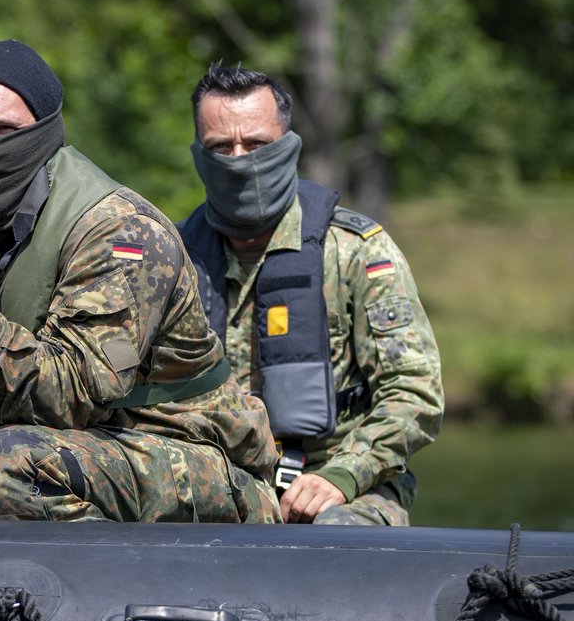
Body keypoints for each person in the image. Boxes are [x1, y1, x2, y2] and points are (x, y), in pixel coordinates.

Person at [0, 40, 281, 523]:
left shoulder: (119, 231)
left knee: (2, 465)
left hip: (207, 472)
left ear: (45, 131)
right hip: (94, 467)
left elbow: (68, 400)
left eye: (4, 129)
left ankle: (104, 595)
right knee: (8, 461)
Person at [178, 63, 444, 525]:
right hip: (217, 481)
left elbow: (414, 393)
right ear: (200, 155)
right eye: (220, 147)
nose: (239, 159)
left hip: (343, 480)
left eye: (257, 144)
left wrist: (344, 475)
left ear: (286, 146)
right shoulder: (171, 259)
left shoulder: (357, 252)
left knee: (330, 541)